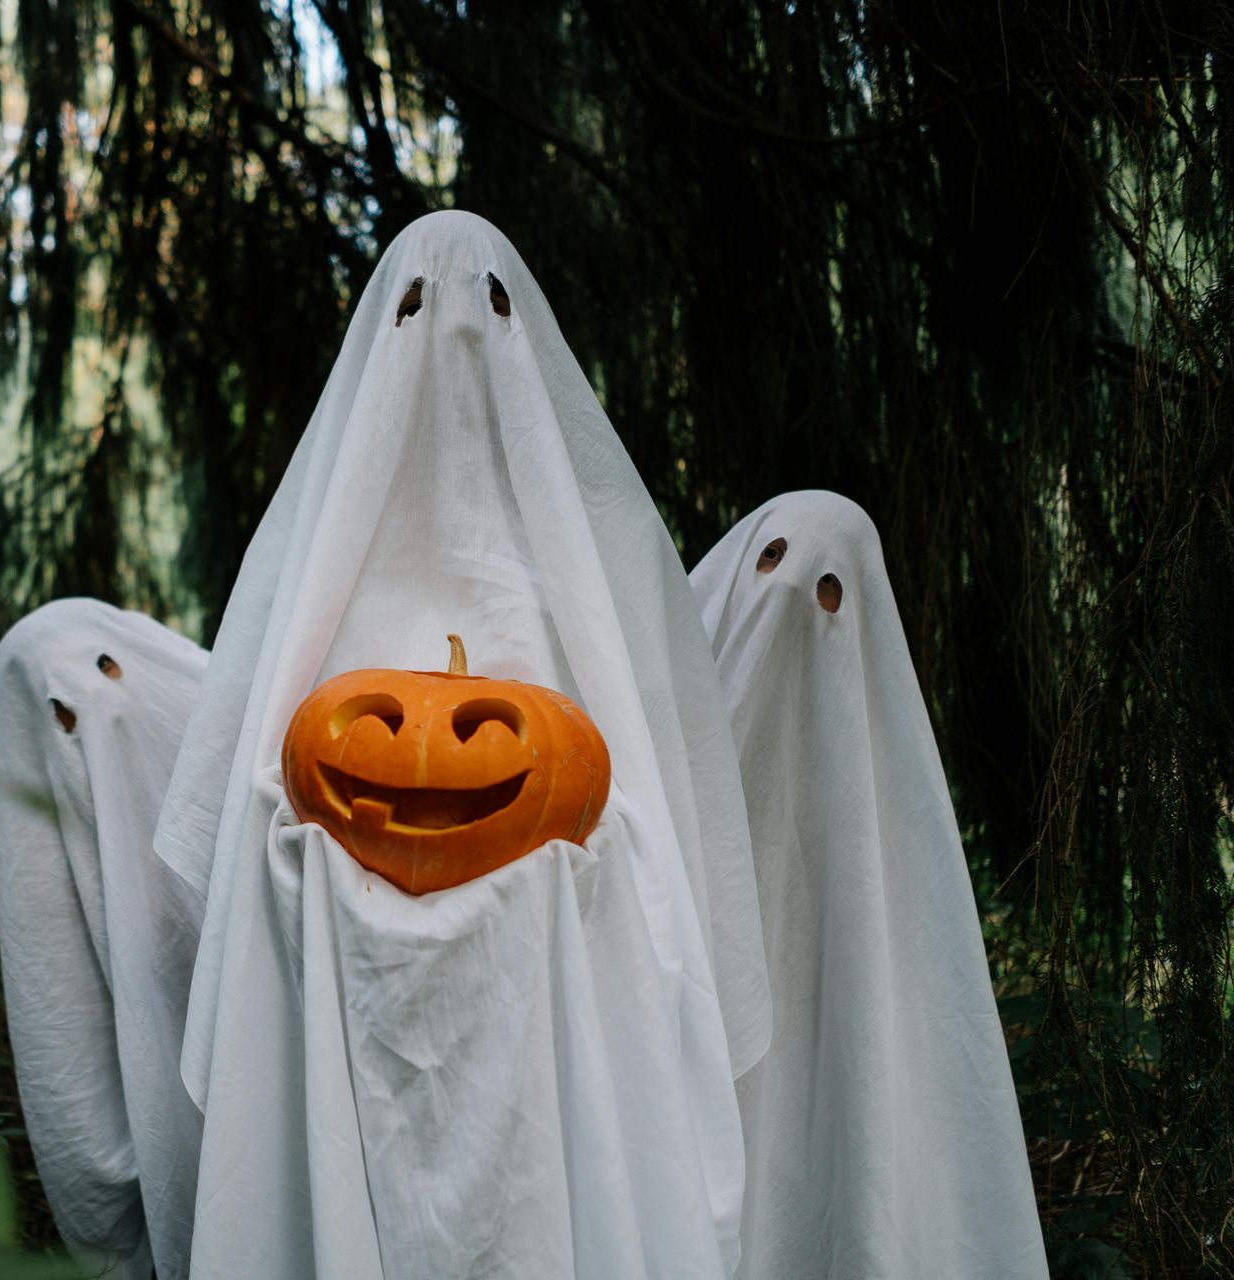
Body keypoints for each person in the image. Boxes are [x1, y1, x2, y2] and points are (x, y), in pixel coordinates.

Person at [155, 209, 771, 1278]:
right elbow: (257, 777)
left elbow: (662, 805)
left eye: (486, 307)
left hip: (553, 946)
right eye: (411, 310)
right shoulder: (311, 554)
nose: (449, 337)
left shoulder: (606, 546)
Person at [689, 491, 1049, 1279]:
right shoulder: (657, 757)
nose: (787, 596)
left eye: (827, 589)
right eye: (771, 560)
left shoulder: (884, 816)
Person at [0, 598, 209, 1280]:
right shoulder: (52, 828)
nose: (92, 711)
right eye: (60, 709)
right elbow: (64, 1047)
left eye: (113, 673)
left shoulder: (214, 735)